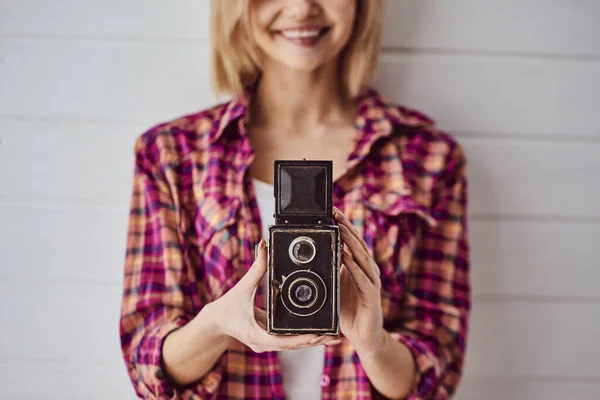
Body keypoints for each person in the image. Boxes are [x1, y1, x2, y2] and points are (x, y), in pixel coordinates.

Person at [119, 0, 471, 399]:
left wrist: (374, 344)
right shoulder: (171, 155)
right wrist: (216, 325)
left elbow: (436, 361)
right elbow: (147, 360)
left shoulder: (427, 158)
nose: (302, 9)